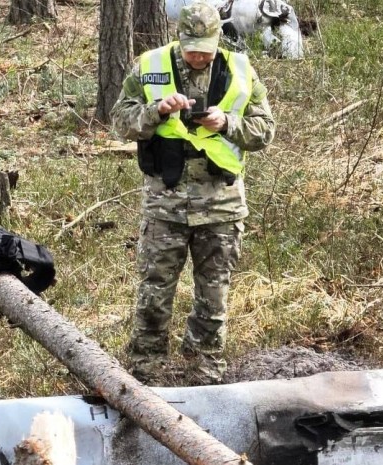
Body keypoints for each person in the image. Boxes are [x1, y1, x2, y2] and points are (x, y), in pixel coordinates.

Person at [110, 1, 275, 385]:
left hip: (221, 203)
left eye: (206, 49)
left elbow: (264, 130)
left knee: (213, 296)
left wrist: (228, 122)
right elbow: (120, 120)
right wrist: (155, 112)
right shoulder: (149, 67)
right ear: (178, 39)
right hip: (164, 203)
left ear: (219, 40)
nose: (199, 56)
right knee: (154, 293)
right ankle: (145, 370)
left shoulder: (240, 69)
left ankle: (203, 367)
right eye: (191, 49)